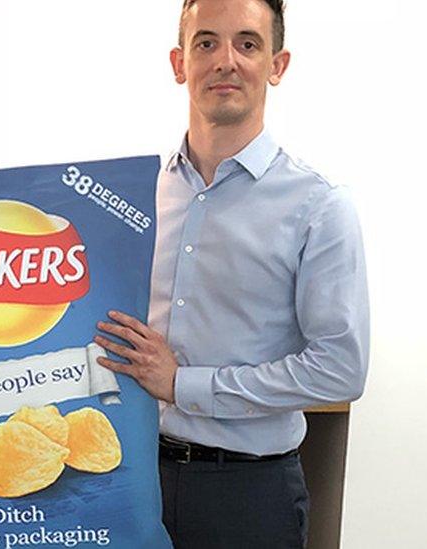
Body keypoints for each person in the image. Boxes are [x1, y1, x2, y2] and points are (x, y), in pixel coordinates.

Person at [93, 1, 369, 547]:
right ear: (179, 63)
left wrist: (183, 385)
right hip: (128, 475)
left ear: (277, 64)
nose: (226, 60)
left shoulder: (318, 206)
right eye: (206, 43)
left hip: (248, 494)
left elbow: (340, 369)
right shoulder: (129, 195)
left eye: (247, 43)